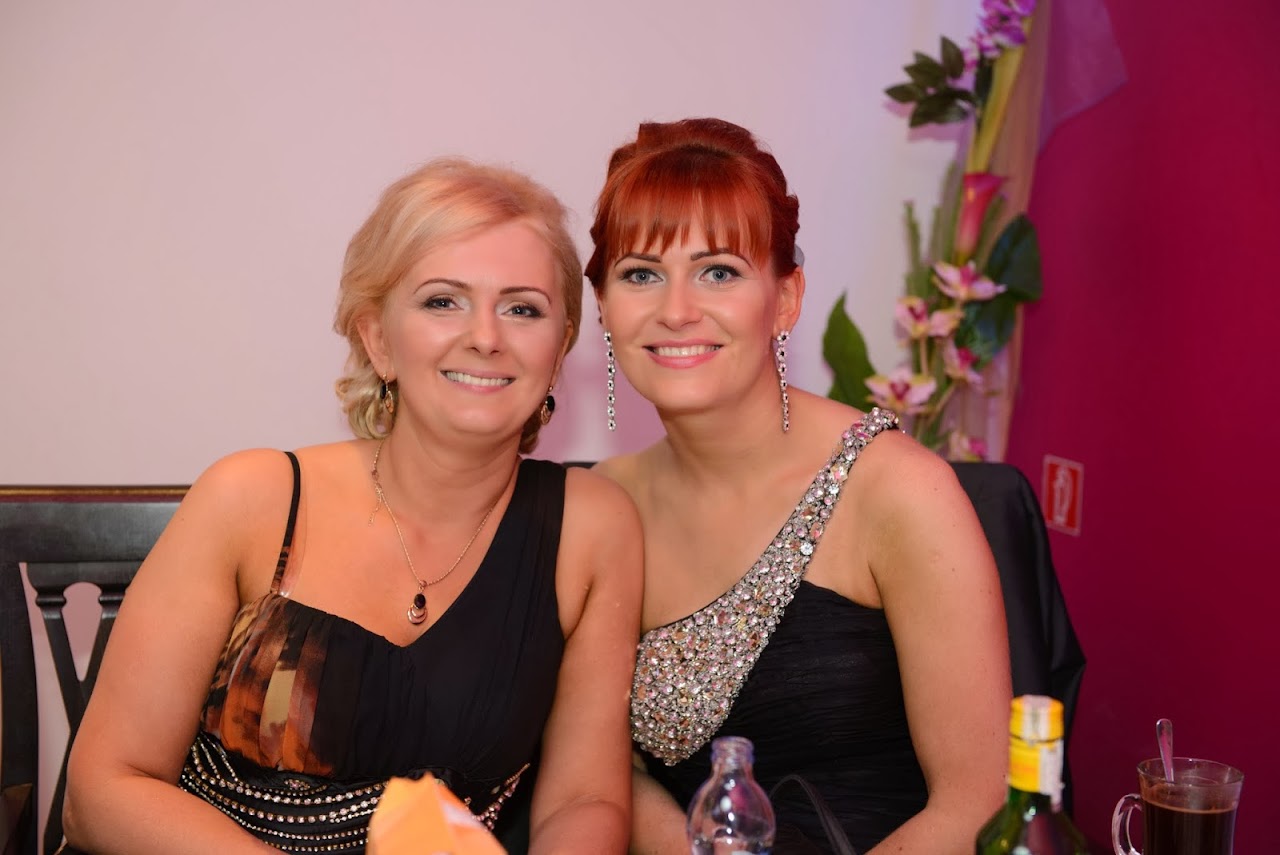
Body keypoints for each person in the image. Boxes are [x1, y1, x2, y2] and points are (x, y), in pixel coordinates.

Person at [63, 158, 642, 854]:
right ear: (377, 339)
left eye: (523, 308)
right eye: (443, 301)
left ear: (559, 349)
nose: (486, 336)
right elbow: (102, 791)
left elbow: (584, 799)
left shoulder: (592, 528)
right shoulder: (253, 499)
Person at [583, 118, 1011, 854]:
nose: (675, 309)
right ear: (603, 307)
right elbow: (607, 767)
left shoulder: (898, 492)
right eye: (641, 274)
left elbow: (979, 801)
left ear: (785, 299)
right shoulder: (602, 505)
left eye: (719, 271)